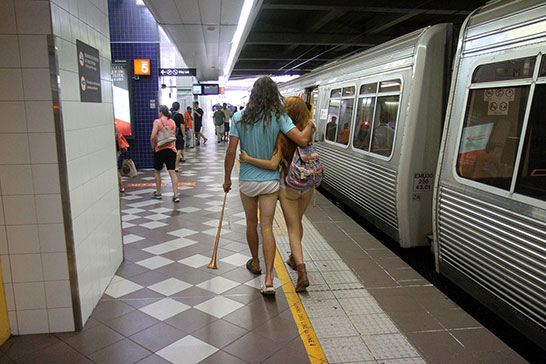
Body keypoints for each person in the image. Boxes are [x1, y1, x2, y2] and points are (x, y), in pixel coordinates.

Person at [223, 76, 314, 295]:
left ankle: (256, 262)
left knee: (250, 223)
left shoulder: (238, 117)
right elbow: (302, 140)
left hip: (247, 180)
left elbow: (230, 152)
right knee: (267, 227)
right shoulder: (279, 117)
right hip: (270, 182)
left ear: (253, 94)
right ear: (274, 94)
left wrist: (227, 178)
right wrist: (310, 122)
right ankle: (270, 279)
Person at [150, 105, 180, 202]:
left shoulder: (157, 122)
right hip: (171, 150)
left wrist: (152, 146)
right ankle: (175, 195)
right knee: (172, 172)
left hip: (160, 149)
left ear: (161, 112)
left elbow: (153, 136)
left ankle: (158, 193)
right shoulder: (172, 122)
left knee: (157, 171)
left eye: (159, 111)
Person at [171, 102, 186, 170]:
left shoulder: (170, 115)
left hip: (172, 136)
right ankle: (176, 166)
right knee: (179, 150)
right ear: (179, 107)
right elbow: (182, 126)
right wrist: (184, 135)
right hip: (179, 135)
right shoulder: (179, 116)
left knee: (174, 150)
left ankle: (173, 165)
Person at [115, 125, 127, 192]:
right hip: (117, 151)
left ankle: (121, 185)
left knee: (115, 169)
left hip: (114, 152)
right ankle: (121, 186)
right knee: (116, 169)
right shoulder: (116, 129)